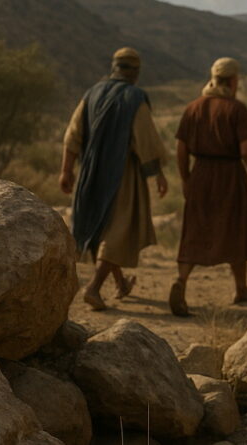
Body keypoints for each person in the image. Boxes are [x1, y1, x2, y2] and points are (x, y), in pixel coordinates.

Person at [59, 47, 168, 311]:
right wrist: (158, 173)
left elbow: (72, 135)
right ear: (136, 72)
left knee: (102, 227)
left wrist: (67, 170)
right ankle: (94, 288)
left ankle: (120, 284)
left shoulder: (91, 93)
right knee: (117, 231)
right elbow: (146, 140)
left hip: (90, 172)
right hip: (121, 175)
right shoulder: (134, 97)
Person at [170, 57, 247, 316]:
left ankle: (181, 281)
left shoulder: (193, 108)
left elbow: (180, 149)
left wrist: (185, 177)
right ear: (234, 80)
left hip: (200, 174)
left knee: (195, 229)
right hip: (230, 175)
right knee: (236, 228)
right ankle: (241, 287)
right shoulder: (235, 109)